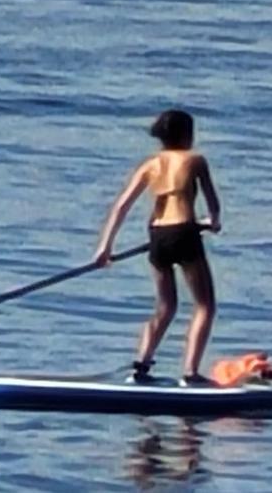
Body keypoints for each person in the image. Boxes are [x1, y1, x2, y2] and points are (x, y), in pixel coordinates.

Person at [93, 109, 222, 386]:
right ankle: (190, 373)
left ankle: (141, 366)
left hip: (157, 236)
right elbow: (213, 204)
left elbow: (121, 206)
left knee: (165, 306)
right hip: (185, 233)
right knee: (205, 305)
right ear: (187, 134)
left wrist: (105, 247)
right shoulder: (196, 160)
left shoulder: (149, 165)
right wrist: (212, 222)